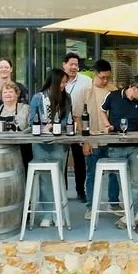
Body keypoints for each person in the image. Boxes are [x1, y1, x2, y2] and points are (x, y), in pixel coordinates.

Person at [98, 74, 138, 229]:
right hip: (116, 146)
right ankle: (131, 214)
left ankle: (134, 213)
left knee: (136, 182)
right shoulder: (113, 96)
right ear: (134, 88)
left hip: (135, 146)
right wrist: (107, 125)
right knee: (124, 183)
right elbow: (102, 110)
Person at [28, 69, 71, 228]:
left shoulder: (66, 98)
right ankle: (48, 213)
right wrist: (44, 126)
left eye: (65, 82)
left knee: (58, 177)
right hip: (41, 143)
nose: (64, 85)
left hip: (59, 142)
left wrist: (57, 126)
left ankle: (58, 212)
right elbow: (31, 120)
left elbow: (67, 120)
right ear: (54, 82)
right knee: (45, 179)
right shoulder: (38, 98)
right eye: (62, 82)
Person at [79, 59, 114, 217]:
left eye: (107, 77)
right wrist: (84, 141)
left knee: (114, 173)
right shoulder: (85, 90)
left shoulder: (113, 90)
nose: (105, 80)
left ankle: (114, 203)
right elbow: (77, 117)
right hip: (92, 137)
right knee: (92, 173)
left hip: (111, 138)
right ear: (95, 74)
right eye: (102, 77)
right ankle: (91, 206)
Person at [62, 53, 92, 202]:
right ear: (64, 64)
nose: (74, 67)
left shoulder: (86, 81)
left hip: (79, 123)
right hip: (61, 124)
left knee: (79, 159)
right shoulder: (58, 80)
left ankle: (81, 190)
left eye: (76, 64)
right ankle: (62, 191)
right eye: (71, 64)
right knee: (62, 157)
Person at [0, 81, 31, 173]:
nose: (8, 94)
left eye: (10, 92)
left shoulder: (25, 108)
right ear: (1, 96)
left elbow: (31, 127)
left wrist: (22, 135)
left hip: (22, 149)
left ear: (17, 94)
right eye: (5, 92)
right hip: (1, 150)